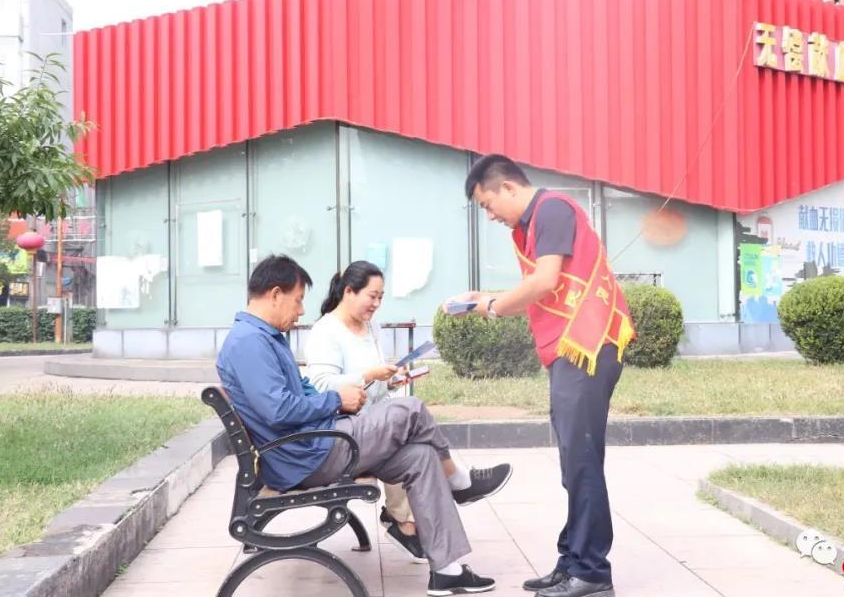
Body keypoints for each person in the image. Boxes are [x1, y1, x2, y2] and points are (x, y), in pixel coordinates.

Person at [217, 254, 512, 596]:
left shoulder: (263, 337)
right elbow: (279, 410)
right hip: (309, 454)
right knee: (412, 410)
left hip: (313, 445)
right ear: (275, 294)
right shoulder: (250, 342)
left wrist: (335, 400)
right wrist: (335, 400)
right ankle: (459, 482)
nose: (300, 310)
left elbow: (300, 391)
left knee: (420, 456)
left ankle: (447, 570)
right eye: (297, 300)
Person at [447, 155, 635, 597]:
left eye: (488, 204)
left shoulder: (551, 209)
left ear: (508, 187)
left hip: (585, 346)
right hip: (573, 350)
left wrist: (492, 307)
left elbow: (545, 281)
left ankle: (591, 572)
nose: (490, 215)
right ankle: (572, 561)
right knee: (574, 463)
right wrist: (486, 298)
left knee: (581, 462)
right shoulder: (534, 222)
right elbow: (544, 288)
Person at [304, 260, 424, 561]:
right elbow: (322, 387)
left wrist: (391, 380)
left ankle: (407, 519)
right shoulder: (325, 331)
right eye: (372, 296)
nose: (377, 303)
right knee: (408, 432)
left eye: (381, 297)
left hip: (371, 419)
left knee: (412, 433)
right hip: (344, 431)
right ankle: (407, 517)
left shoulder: (372, 327)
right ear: (349, 291)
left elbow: (374, 388)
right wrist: (370, 374)